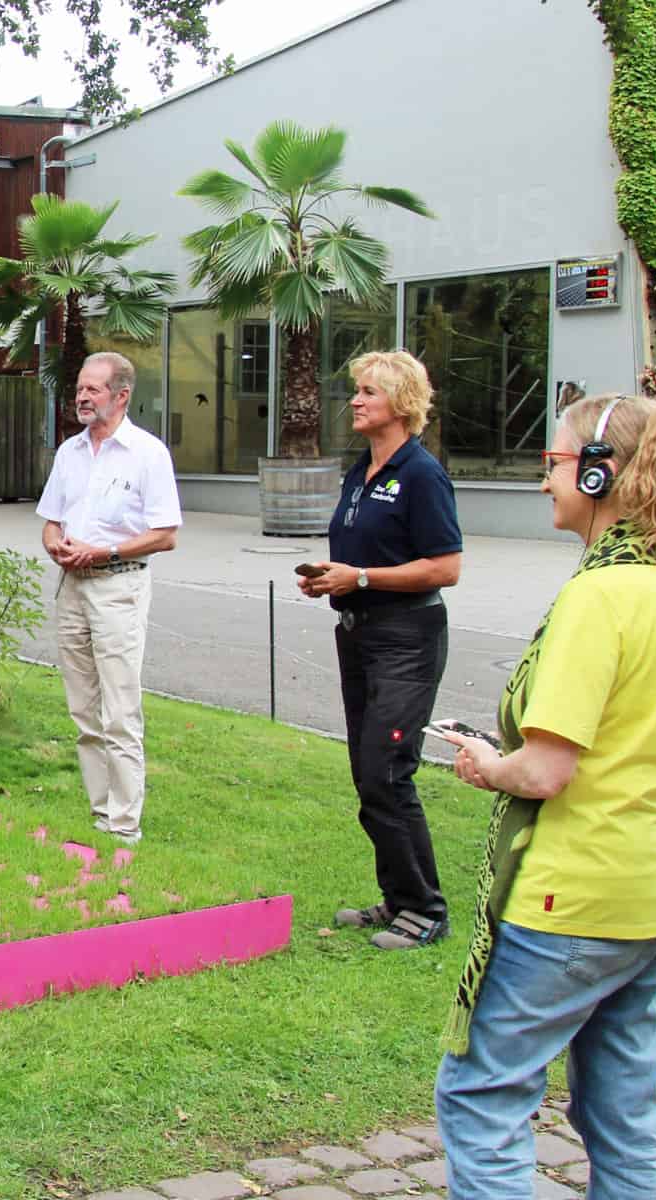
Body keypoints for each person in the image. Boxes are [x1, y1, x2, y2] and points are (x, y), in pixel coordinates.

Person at [431, 393, 656, 1197]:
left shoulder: (600, 597)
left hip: (575, 900)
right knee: (622, 1104)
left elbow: (546, 771)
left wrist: (487, 762)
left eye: (552, 463)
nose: (543, 480)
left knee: (484, 1094)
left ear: (597, 472)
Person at [300, 349, 462, 951]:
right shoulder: (360, 472)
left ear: (401, 403)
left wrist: (361, 579)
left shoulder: (422, 475)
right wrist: (331, 578)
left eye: (369, 391)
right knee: (367, 776)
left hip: (407, 641)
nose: (356, 401)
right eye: (357, 391)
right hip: (358, 635)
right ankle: (398, 899)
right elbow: (365, 556)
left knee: (388, 773)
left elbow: (446, 567)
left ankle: (426, 910)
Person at [36, 352, 180, 844]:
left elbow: (165, 534)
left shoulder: (147, 453)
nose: (81, 396)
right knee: (83, 709)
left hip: (119, 584)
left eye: (93, 389)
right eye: (79, 387)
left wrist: (105, 551)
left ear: (121, 396)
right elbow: (52, 519)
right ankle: (101, 813)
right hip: (71, 587)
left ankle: (125, 824)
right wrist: (56, 543)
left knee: (120, 707)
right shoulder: (69, 453)